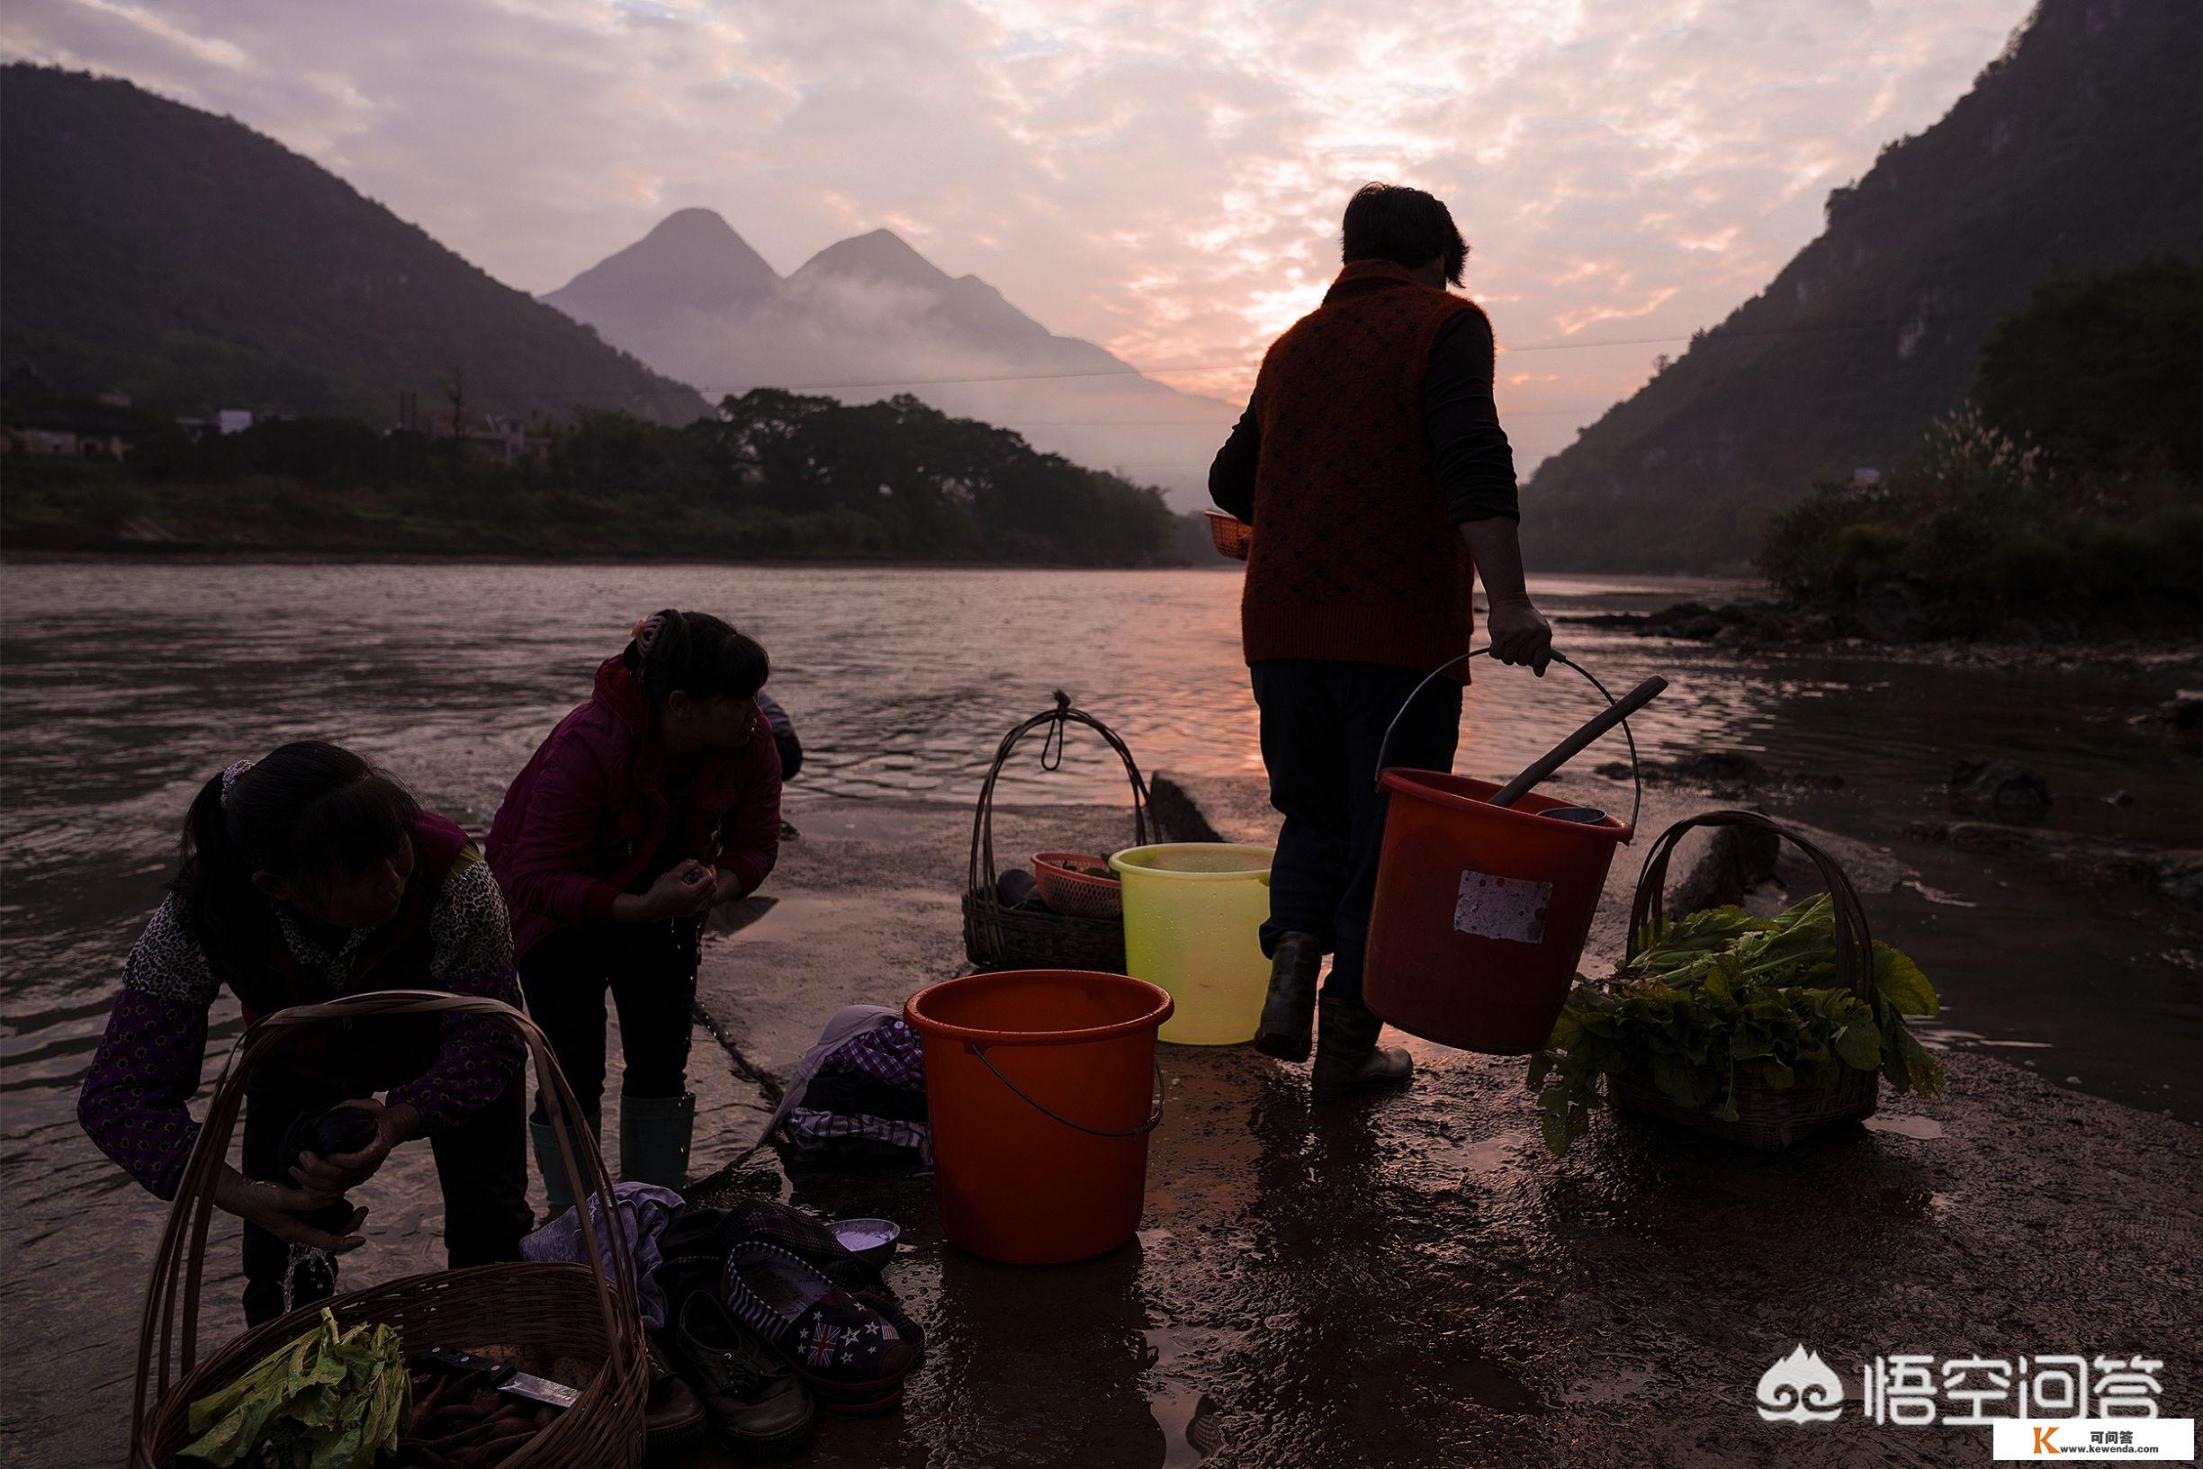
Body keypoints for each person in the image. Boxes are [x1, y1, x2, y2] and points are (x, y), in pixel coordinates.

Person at [1209, 182, 1555, 1098]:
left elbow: (1230, 479)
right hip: (1396, 634)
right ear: (1438, 256)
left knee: (1312, 811)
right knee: (1388, 831)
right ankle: (1346, 1041)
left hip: (1280, 626)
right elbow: (1472, 459)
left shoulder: (1291, 345)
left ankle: (1290, 972)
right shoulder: (1445, 324)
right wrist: (1509, 602)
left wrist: (1312, 488)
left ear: (1350, 252)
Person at [77, 741, 530, 1325]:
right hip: (297, 1064)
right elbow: (119, 1097)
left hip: (446, 1049)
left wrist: (398, 1118)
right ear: (276, 887)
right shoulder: (203, 913)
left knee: (491, 1233)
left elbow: (491, 1037)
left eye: (396, 851)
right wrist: (242, 1194)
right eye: (362, 872)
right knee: (283, 1275)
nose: (391, 880)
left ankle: (496, 1373)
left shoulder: (455, 873)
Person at [487, 609, 781, 1213]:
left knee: (661, 1063)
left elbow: (756, 842)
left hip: (667, 905)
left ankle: (655, 1212)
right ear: (680, 704)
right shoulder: (587, 743)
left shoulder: (749, 741)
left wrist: (713, 888)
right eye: (739, 699)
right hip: (558, 916)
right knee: (571, 1074)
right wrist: (640, 905)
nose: (757, 711)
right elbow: (535, 874)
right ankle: (580, 1227)